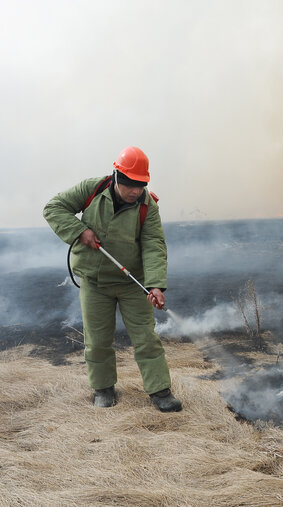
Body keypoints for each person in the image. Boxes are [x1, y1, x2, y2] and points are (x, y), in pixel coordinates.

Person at [43, 146, 182, 412]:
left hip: (133, 283)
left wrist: (155, 285)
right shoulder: (92, 189)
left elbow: (153, 244)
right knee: (97, 340)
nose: (135, 190)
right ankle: (103, 389)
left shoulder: (147, 206)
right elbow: (53, 207)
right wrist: (80, 231)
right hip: (95, 283)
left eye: (141, 185)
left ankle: (160, 391)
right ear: (116, 175)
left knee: (146, 338)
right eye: (130, 184)